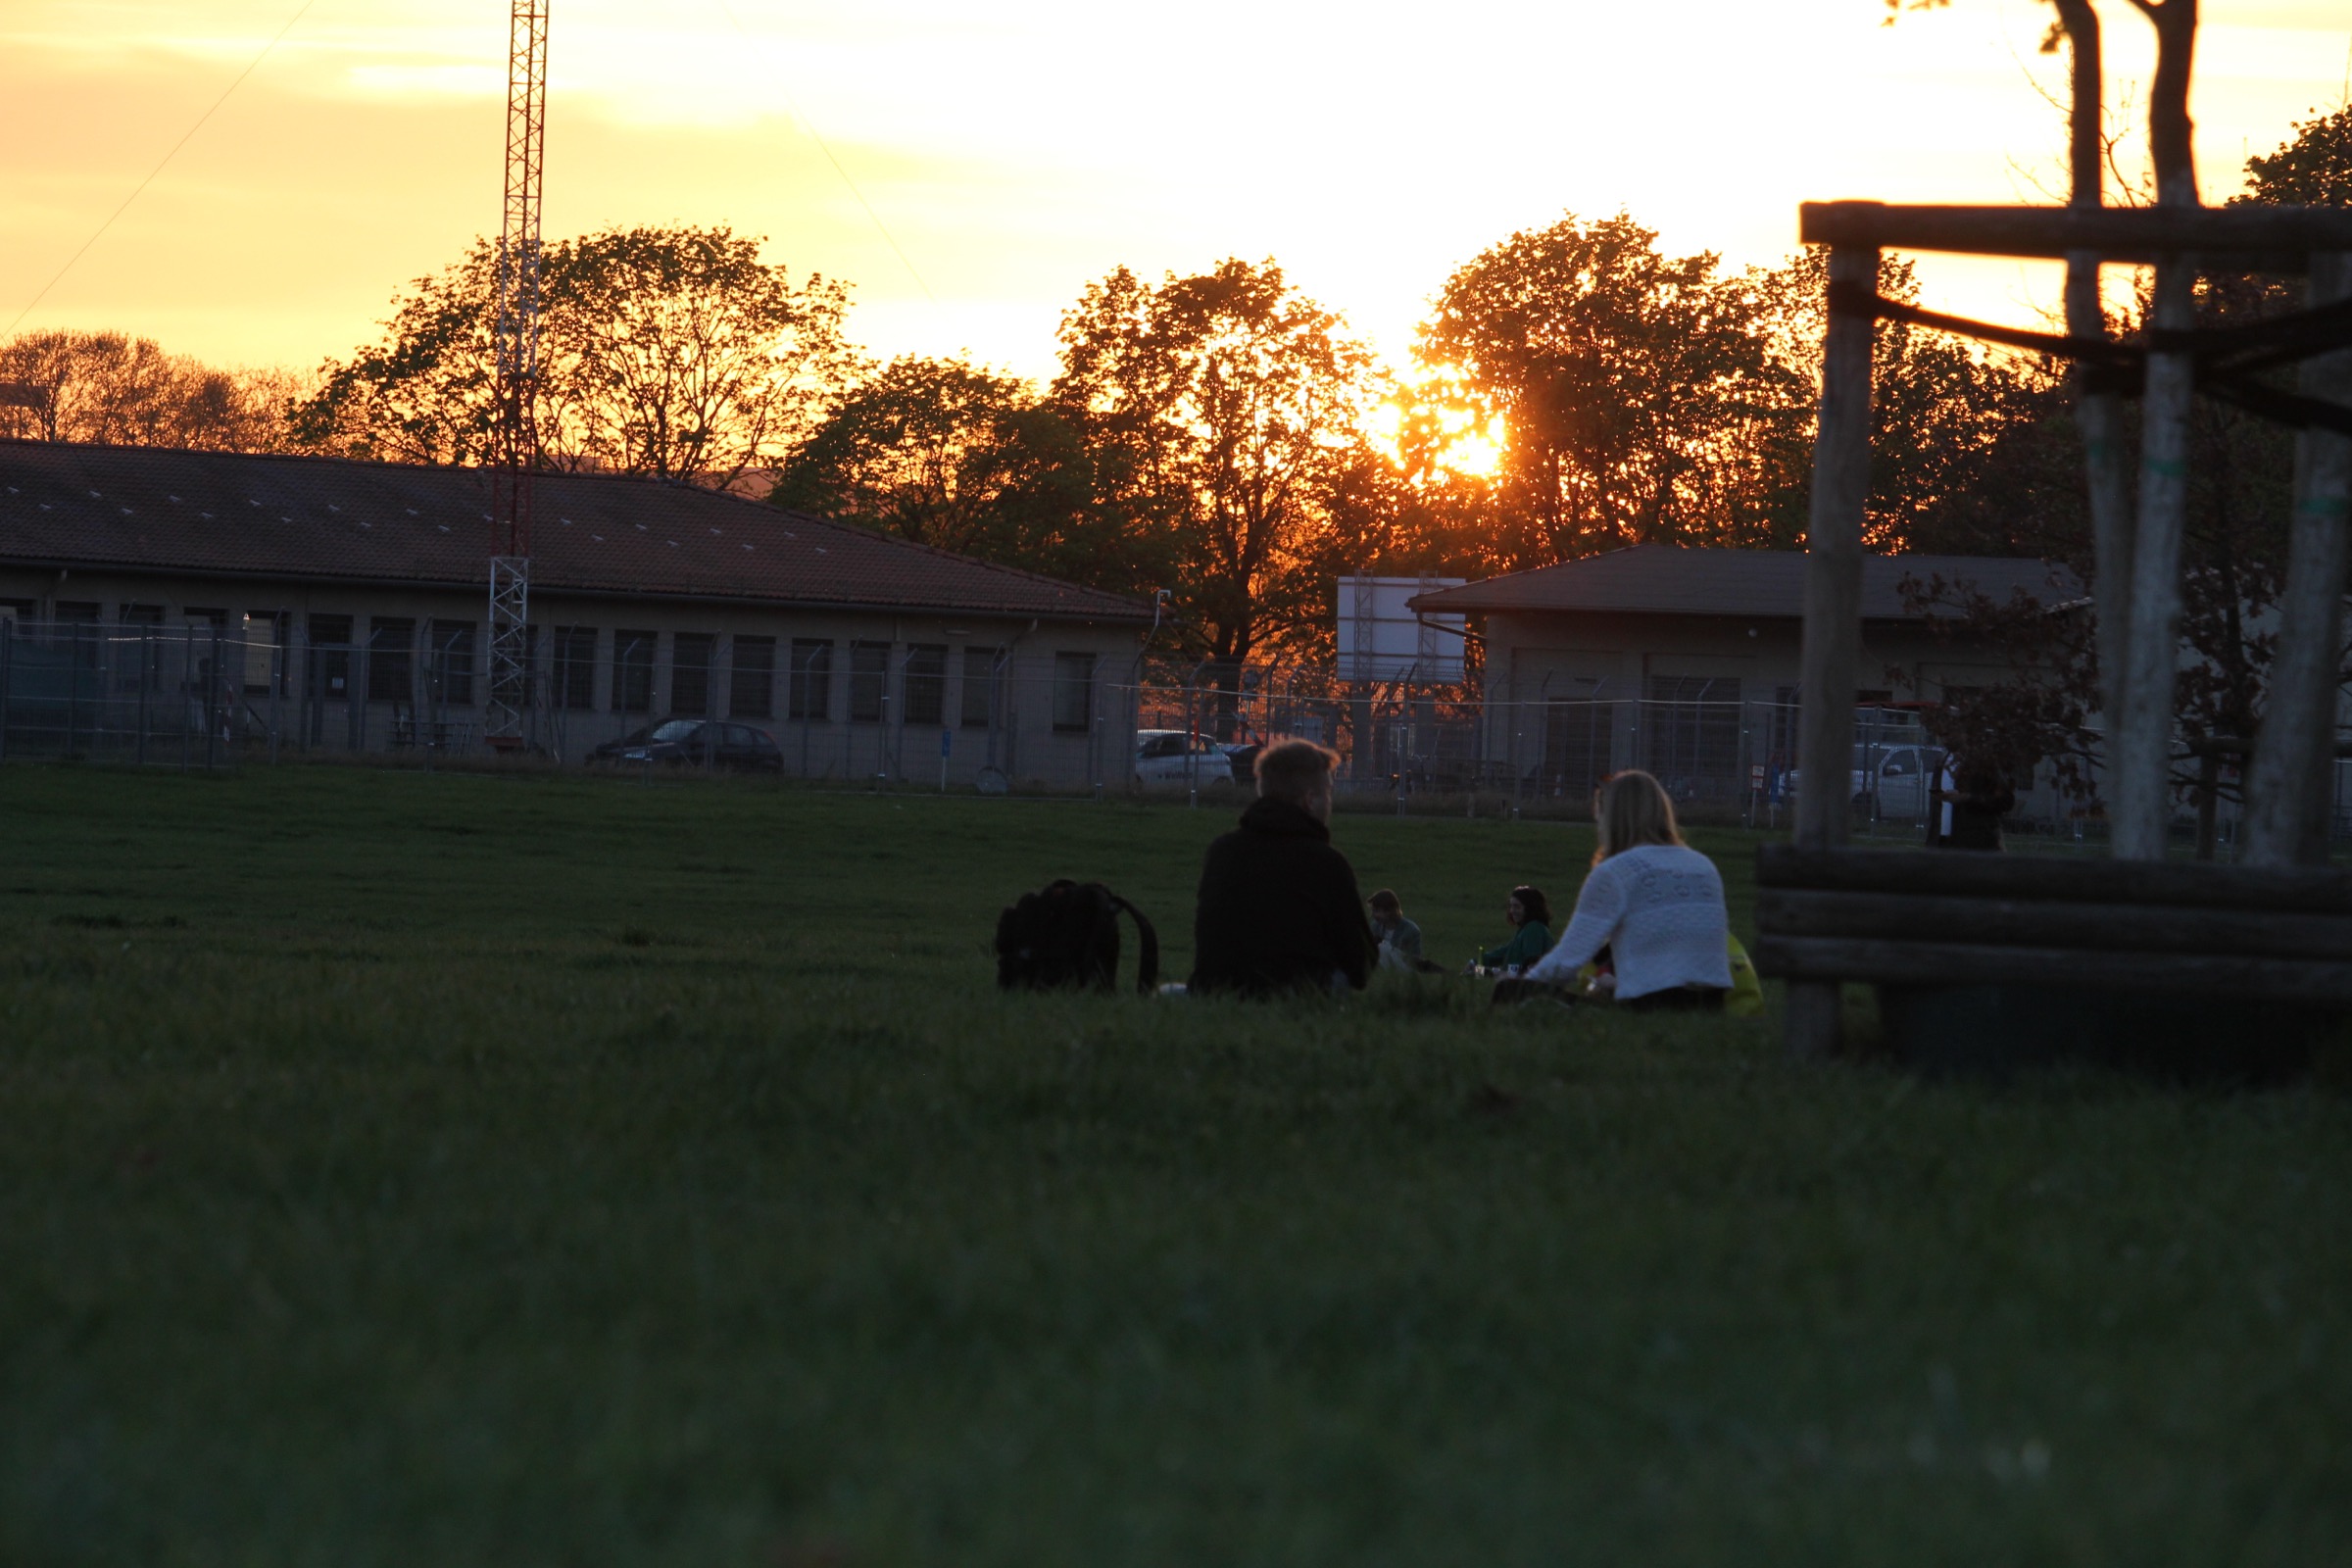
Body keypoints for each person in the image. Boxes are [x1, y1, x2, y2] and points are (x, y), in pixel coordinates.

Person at [1521, 770, 1732, 1010]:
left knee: (1537, 1002)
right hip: (1714, 1002)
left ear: (1609, 817)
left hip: (1652, 1003)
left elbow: (1568, 960)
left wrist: (1518, 985)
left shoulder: (1615, 871)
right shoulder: (1703, 865)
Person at [1191, 738, 1377, 996]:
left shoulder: (1221, 852)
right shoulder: (1327, 863)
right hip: (1296, 991)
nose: (1330, 805)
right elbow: (1361, 962)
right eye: (1328, 794)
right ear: (1310, 800)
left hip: (1216, 988)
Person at [1929, 749, 2016, 852]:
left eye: (1949, 734)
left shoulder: (1985, 763)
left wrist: (1968, 797)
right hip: (1942, 842)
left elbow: (2005, 800)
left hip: (1976, 845)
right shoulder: (1943, 761)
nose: (1945, 738)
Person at [1474, 886, 1552, 974]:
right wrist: (1476, 965)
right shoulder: (1525, 931)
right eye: (1511, 906)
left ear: (1529, 908)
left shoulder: (1534, 929)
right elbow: (1501, 954)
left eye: (1517, 907)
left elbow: (1530, 967)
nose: (1512, 911)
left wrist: (1480, 969)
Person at [1366, 890, 1426, 971]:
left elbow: (1415, 959)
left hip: (1403, 969)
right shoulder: (1375, 926)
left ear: (1389, 911)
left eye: (1376, 911)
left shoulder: (1411, 930)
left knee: (1382, 947)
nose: (1373, 915)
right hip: (1380, 968)